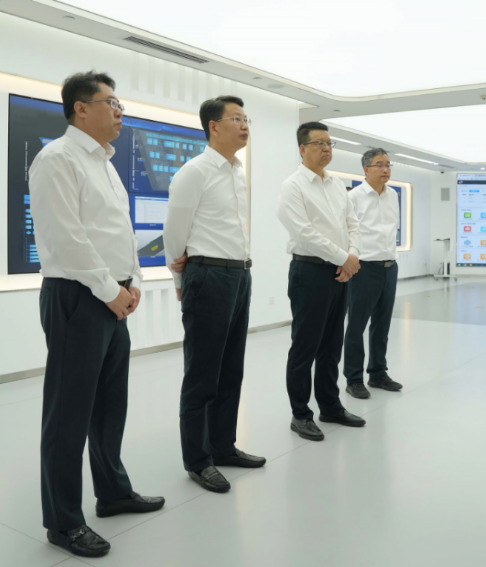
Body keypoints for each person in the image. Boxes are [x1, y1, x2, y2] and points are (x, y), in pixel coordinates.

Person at [30, 71, 164, 558]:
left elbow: (117, 233)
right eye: (112, 102)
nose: (120, 111)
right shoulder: (57, 159)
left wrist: (133, 282)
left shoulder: (104, 163)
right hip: (78, 297)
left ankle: (113, 492)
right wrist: (111, 291)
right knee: (68, 414)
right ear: (81, 108)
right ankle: (63, 522)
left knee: (109, 405)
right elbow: (68, 238)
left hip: (112, 295)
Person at [164, 96, 265, 494]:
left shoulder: (236, 171)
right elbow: (175, 234)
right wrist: (180, 282)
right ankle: (197, 460)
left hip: (239, 275)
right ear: (213, 126)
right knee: (202, 373)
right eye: (236, 118)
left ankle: (223, 446)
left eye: (246, 118)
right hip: (207, 275)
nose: (244, 125)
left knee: (230, 370)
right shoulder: (194, 172)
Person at [277, 122, 366, 441]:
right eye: (319, 143)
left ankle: (330, 406)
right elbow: (304, 233)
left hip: (340, 272)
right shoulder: (293, 186)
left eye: (329, 143)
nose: (327, 148)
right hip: (310, 272)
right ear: (302, 149)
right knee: (305, 346)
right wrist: (343, 257)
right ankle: (301, 414)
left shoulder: (336, 184)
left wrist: (351, 256)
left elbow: (353, 225)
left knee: (331, 345)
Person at [343, 148, 403, 399]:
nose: (386, 169)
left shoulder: (392, 195)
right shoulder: (353, 197)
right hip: (363, 267)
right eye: (380, 164)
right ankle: (354, 378)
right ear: (366, 169)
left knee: (382, 324)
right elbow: (346, 231)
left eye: (388, 164)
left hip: (389, 266)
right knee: (357, 325)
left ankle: (378, 373)